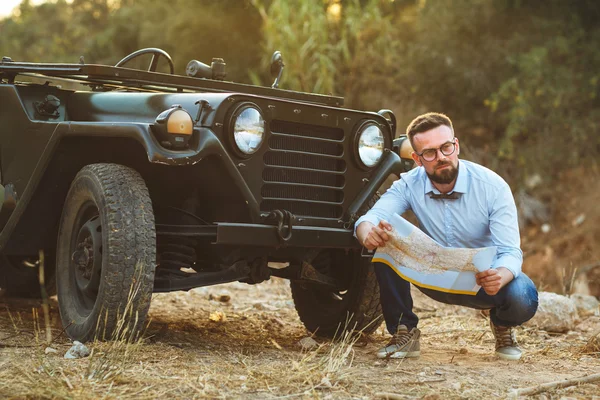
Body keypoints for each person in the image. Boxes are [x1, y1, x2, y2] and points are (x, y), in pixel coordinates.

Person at [355, 112, 538, 361]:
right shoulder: (409, 184)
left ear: (457, 146)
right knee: (385, 237)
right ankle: (404, 331)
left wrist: (500, 276)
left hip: (481, 281)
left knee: (522, 296)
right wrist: (367, 233)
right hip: (431, 276)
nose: (441, 157)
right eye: (430, 153)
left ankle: (502, 324)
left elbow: (511, 252)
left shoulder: (493, 187)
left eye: (446, 148)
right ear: (417, 159)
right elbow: (371, 217)